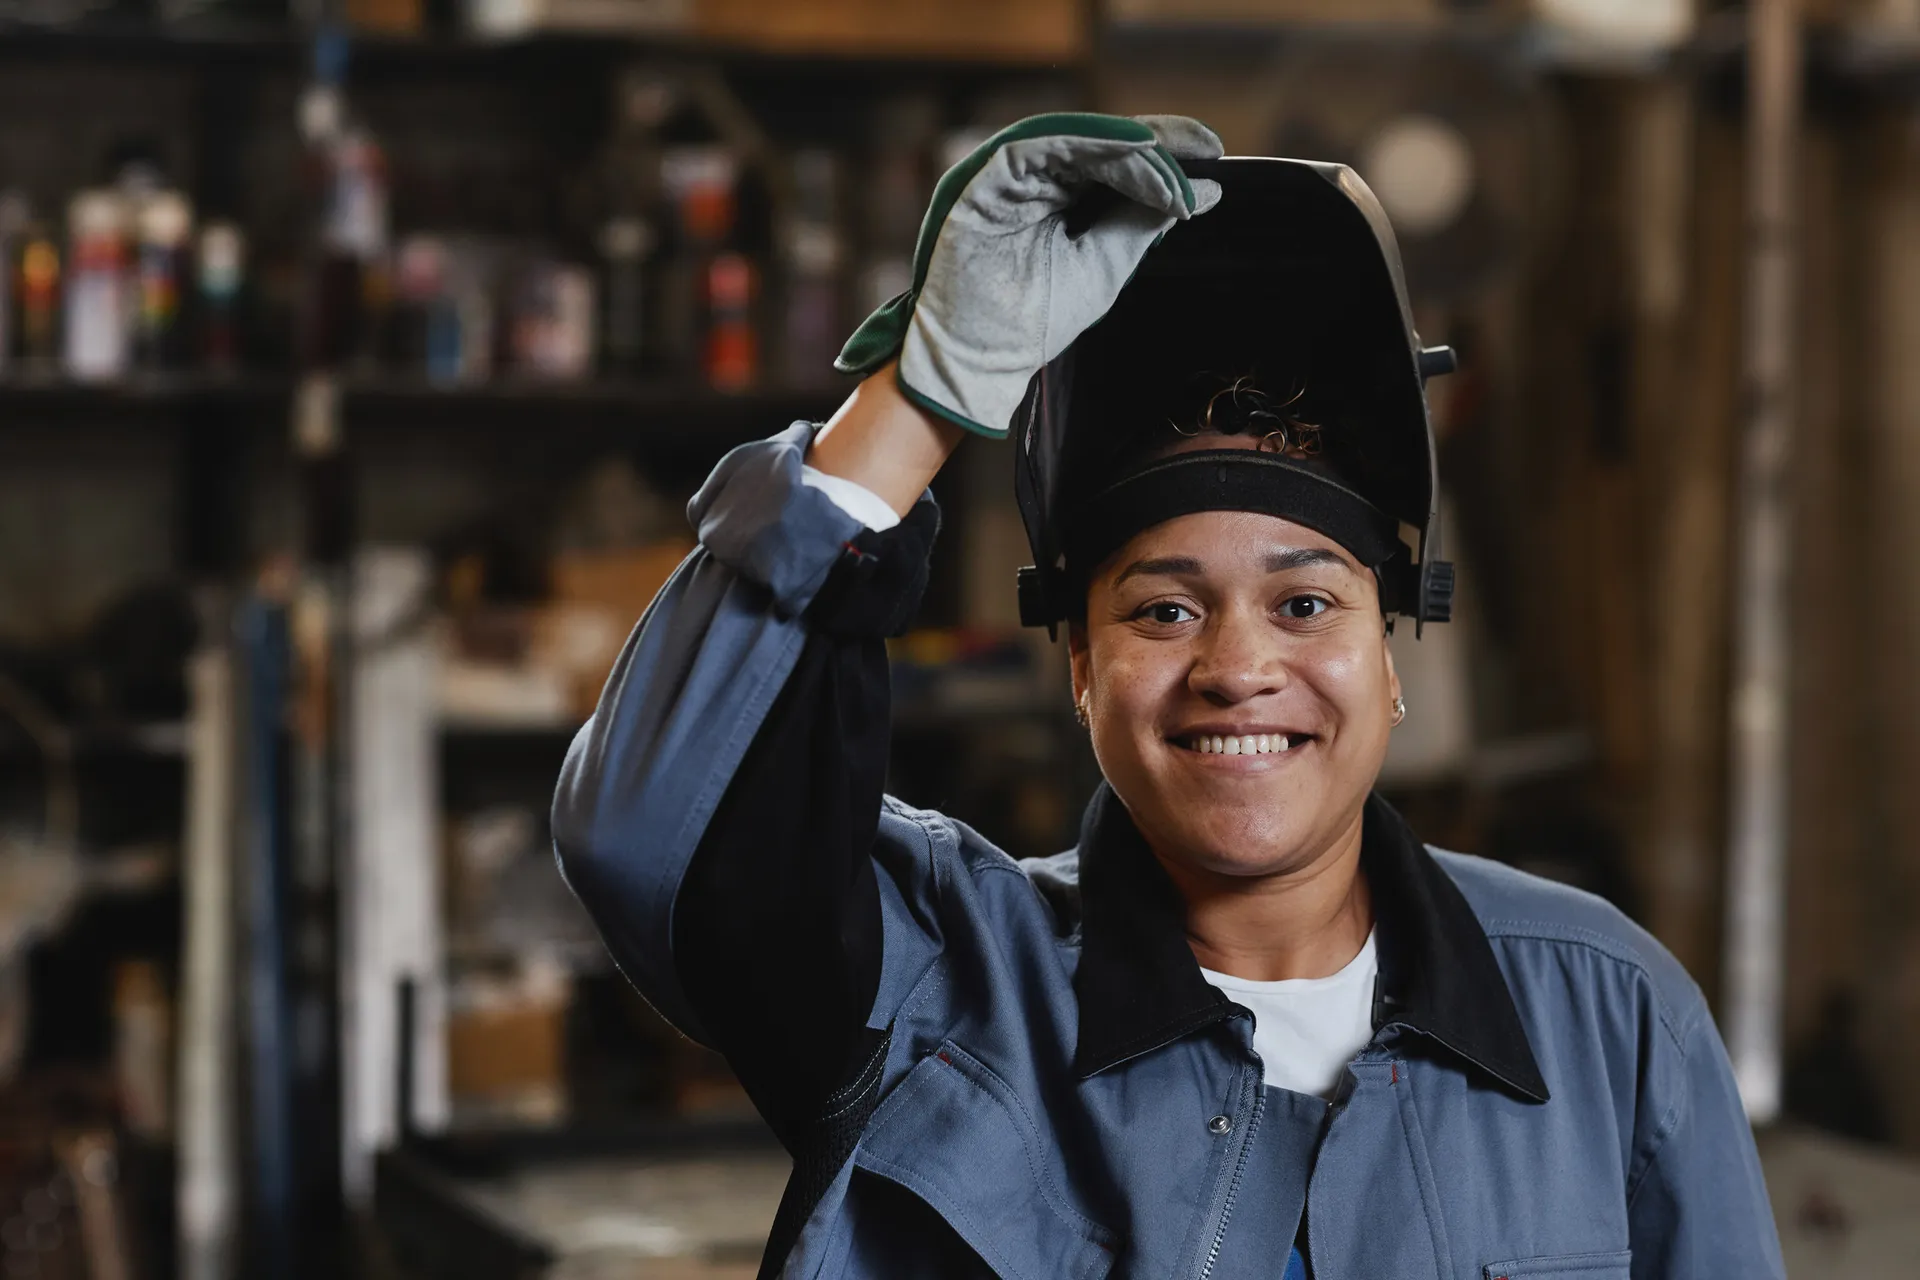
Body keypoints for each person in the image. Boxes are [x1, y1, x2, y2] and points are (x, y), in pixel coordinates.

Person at [552, 114, 1784, 1279]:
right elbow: (658, 837)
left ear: (1390, 657)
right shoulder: (941, 989)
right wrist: (921, 396)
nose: (1238, 666)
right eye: (1163, 609)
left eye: (1305, 603)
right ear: (1081, 669)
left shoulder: (1607, 1012)